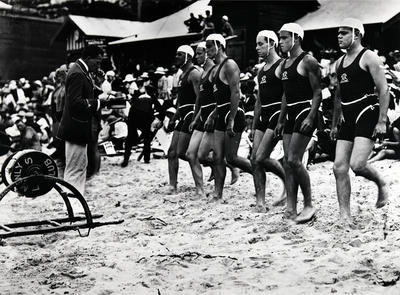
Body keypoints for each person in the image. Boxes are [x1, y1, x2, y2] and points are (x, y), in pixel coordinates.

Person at [330, 18, 389, 225]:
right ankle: (344, 215)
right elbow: (338, 94)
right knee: (338, 167)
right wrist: (335, 122)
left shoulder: (369, 57)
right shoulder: (339, 62)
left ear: (357, 34)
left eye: (344, 33)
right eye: (338, 33)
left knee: (357, 164)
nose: (339, 36)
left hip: (367, 110)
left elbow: (384, 89)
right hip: (348, 114)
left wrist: (382, 120)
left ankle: (381, 182)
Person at [275, 23, 321, 223]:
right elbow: (286, 94)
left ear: (296, 38)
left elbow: (318, 92)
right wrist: (279, 119)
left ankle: (309, 204)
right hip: (289, 114)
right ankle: (291, 207)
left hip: (304, 111)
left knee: (294, 160)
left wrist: (311, 116)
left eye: (285, 38)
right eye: (280, 38)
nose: (281, 42)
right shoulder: (284, 63)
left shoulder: (308, 60)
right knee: (287, 162)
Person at [204, 33, 252, 201]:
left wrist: (231, 119)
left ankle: (259, 174)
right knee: (218, 157)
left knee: (232, 157)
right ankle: (218, 193)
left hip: (234, 114)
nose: (207, 49)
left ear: (219, 45)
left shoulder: (229, 64)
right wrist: (213, 113)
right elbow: (220, 100)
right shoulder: (215, 69)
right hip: (221, 114)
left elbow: (235, 93)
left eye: (210, 46)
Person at [57, 45, 104, 196]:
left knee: (78, 166)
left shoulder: (80, 70)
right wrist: (97, 102)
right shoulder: (78, 73)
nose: (98, 66)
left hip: (77, 126)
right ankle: (74, 205)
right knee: (75, 167)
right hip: (76, 127)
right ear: (88, 58)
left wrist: (96, 94)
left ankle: (75, 203)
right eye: (97, 62)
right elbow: (75, 102)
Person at [251, 30, 286, 212]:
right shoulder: (261, 70)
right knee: (254, 160)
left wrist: (281, 119)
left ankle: (287, 179)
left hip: (277, 114)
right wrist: (254, 124)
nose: (257, 48)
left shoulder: (282, 65)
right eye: (256, 44)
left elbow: (287, 95)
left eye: (260, 44)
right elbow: (259, 100)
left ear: (271, 43)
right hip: (264, 114)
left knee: (261, 157)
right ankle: (260, 201)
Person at [166, 45, 201, 193]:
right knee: (172, 152)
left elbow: (201, 97)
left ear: (188, 56)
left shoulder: (194, 74)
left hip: (192, 114)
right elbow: (180, 101)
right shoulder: (181, 75)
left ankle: (218, 165)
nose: (176, 57)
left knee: (186, 153)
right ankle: (173, 185)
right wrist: (174, 118)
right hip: (183, 114)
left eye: (180, 54)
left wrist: (196, 117)